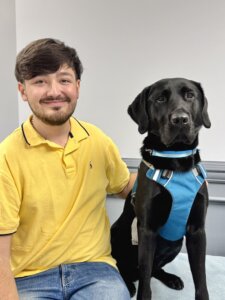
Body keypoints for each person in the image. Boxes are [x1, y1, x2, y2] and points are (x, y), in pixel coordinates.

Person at [0, 38, 136, 300]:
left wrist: (179, 179)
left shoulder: (97, 140)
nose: (54, 91)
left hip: (95, 271)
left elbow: (125, 186)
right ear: (23, 90)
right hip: (30, 278)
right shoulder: (6, 157)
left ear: (77, 86)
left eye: (63, 80)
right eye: (40, 81)